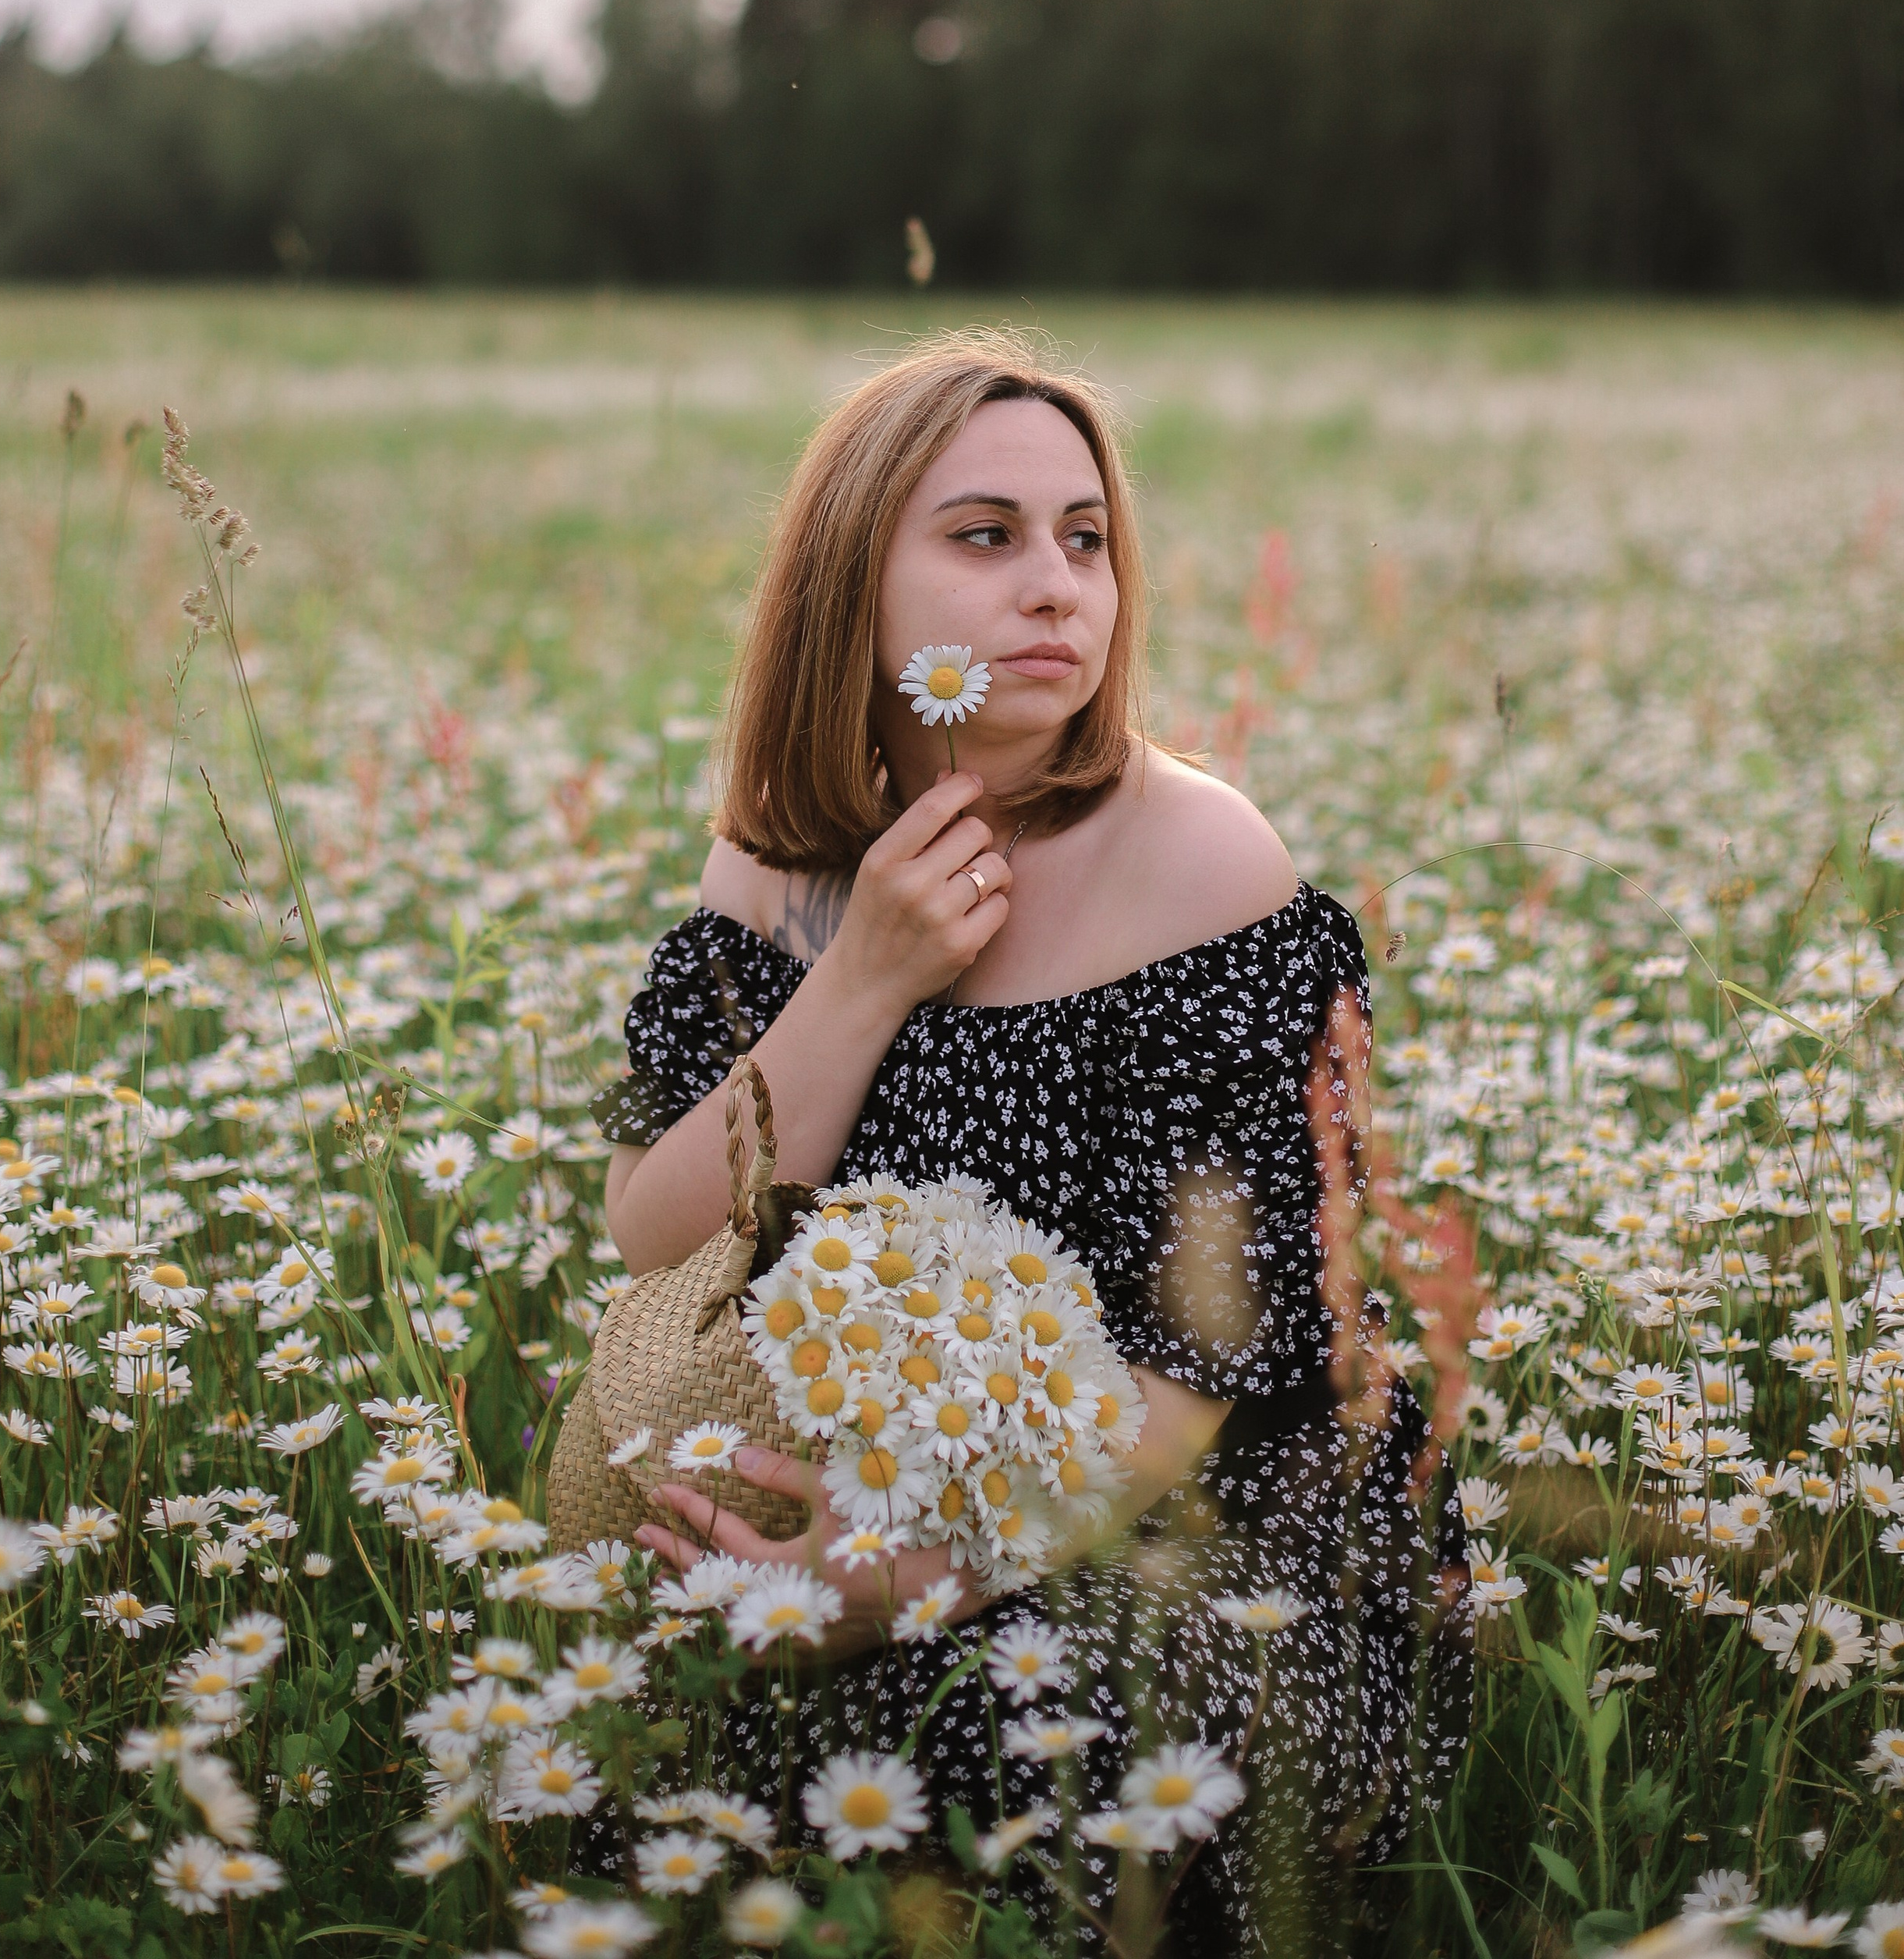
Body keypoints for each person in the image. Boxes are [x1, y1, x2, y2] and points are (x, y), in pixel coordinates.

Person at [596, 333, 1470, 1951]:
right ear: (853, 586)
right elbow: (658, 1228)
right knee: (681, 1763)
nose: (1056, 586)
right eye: (985, 537)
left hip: (1216, 1517)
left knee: (1011, 1743)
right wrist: (858, 975)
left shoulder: (1200, 865)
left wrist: (912, 1578)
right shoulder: (783, 860)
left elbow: (1200, 1362)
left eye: (1085, 540)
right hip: (899, 1473)